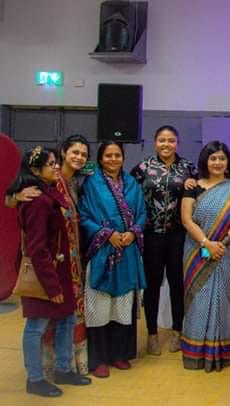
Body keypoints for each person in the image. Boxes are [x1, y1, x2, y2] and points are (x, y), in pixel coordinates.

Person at [5, 136, 92, 377]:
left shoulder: (69, 185)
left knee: (66, 318)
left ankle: (64, 368)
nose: (79, 157)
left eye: (84, 154)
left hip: (66, 266)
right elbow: (37, 245)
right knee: (38, 324)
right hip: (46, 269)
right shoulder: (37, 196)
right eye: (74, 152)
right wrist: (15, 196)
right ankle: (37, 376)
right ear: (65, 153)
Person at [180, 141, 230, 371]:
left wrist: (221, 244)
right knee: (199, 298)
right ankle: (197, 353)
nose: (217, 162)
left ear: (228, 162)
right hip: (197, 249)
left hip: (228, 251)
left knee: (226, 299)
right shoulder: (192, 187)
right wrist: (207, 243)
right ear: (205, 161)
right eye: (212, 158)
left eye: (221, 158)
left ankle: (225, 351)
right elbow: (186, 220)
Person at [78, 141, 147, 378]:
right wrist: (108, 234)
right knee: (99, 305)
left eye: (117, 155)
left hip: (127, 252)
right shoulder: (91, 184)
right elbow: (84, 215)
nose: (113, 159)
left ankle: (119, 354)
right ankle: (98, 359)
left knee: (123, 304)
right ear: (100, 158)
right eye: (108, 155)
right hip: (102, 252)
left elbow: (142, 213)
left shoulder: (132, 183)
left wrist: (132, 232)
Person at [131, 125, 198, 356]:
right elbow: (127, 193)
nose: (166, 144)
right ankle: (152, 333)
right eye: (162, 140)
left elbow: (201, 191)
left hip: (179, 235)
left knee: (177, 284)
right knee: (152, 285)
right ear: (155, 142)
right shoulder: (143, 168)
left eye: (171, 140)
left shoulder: (187, 167)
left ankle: (177, 331)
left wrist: (192, 185)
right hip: (151, 236)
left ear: (177, 143)